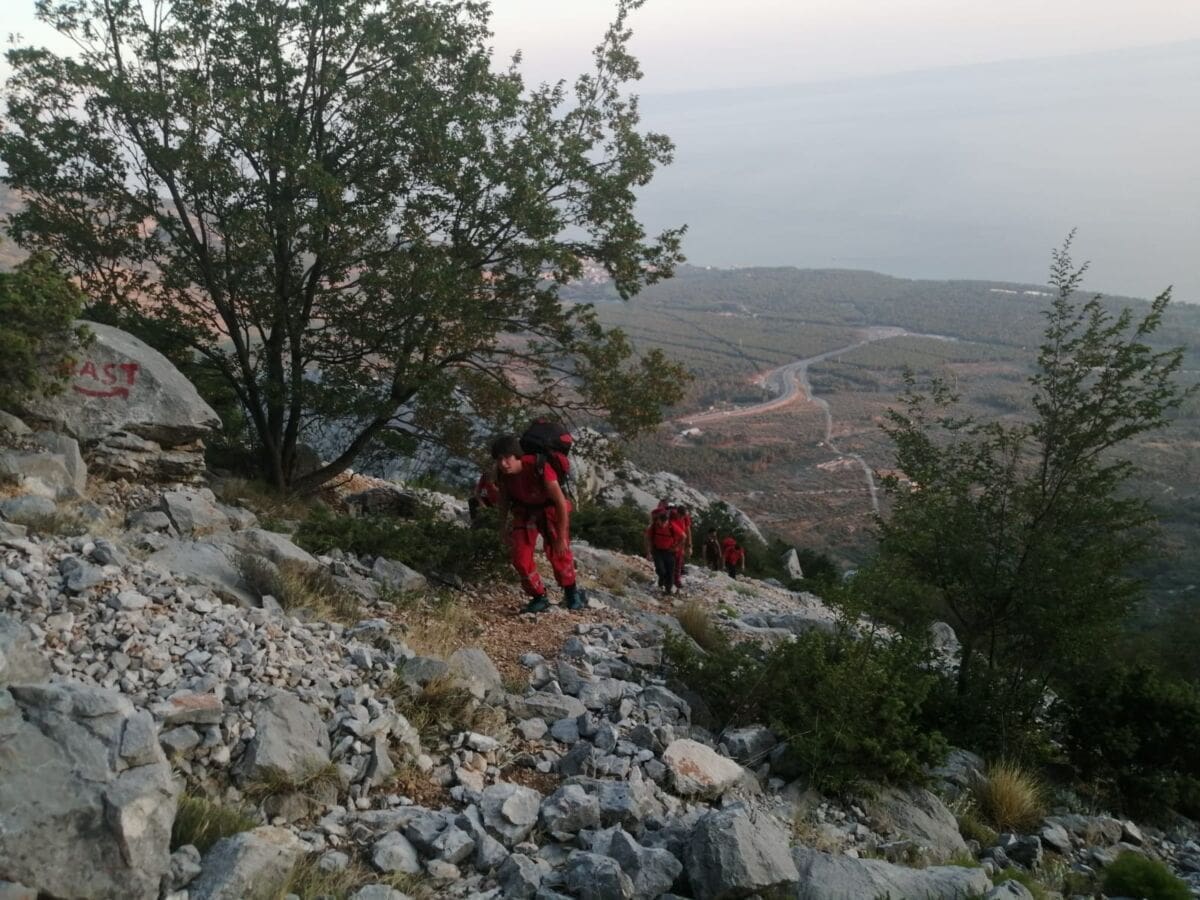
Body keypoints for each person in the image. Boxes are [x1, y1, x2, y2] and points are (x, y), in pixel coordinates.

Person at [491, 434, 585, 613]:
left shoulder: (539, 467)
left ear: (517, 455)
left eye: (507, 458)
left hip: (550, 510)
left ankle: (571, 593)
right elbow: (503, 501)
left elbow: (560, 502)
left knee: (559, 553)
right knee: (520, 557)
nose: (503, 463)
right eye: (499, 459)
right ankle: (538, 596)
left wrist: (561, 537)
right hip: (524, 511)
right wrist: (502, 528)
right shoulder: (503, 476)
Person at [645, 506, 683, 596]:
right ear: (658, 520)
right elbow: (647, 538)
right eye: (661, 522)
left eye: (664, 522)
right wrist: (648, 552)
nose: (662, 525)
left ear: (667, 521)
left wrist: (676, 547)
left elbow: (683, 536)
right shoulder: (653, 527)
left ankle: (668, 590)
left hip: (669, 552)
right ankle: (661, 579)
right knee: (660, 569)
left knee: (670, 572)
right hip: (657, 551)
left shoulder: (672, 526)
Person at [669, 506, 690, 591]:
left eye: (683, 516)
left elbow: (687, 531)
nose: (682, 518)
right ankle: (669, 581)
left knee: (678, 563)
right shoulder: (671, 517)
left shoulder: (684, 518)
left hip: (680, 544)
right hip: (671, 544)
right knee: (670, 563)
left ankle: (677, 581)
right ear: (677, 513)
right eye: (681, 516)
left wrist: (689, 545)